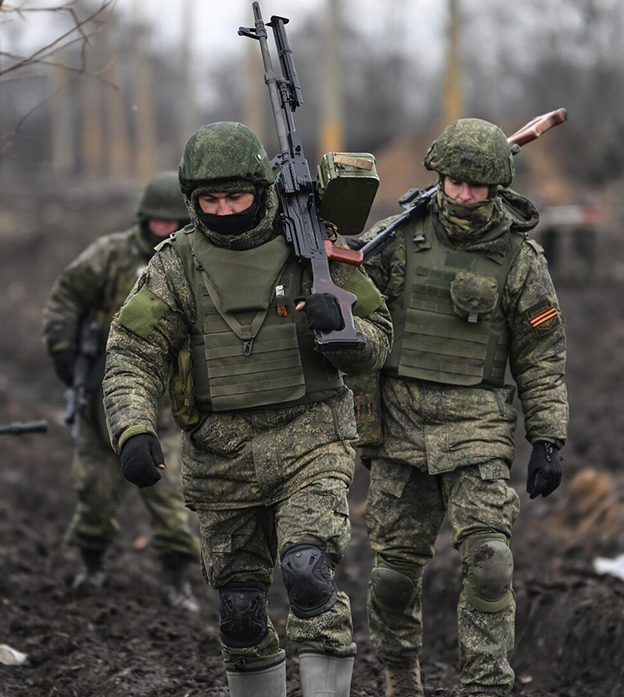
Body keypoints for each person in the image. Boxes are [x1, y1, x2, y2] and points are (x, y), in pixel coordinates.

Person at [101, 122, 392, 697]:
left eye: (236, 197)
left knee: (308, 573)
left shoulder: (312, 245)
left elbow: (378, 338)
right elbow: (132, 351)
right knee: (239, 608)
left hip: (311, 439)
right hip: (220, 456)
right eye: (210, 200)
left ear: (261, 191)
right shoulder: (176, 264)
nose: (224, 210)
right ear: (192, 200)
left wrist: (345, 330)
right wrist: (132, 429)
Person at [358, 118, 569, 697]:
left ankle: (486, 686)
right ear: (439, 178)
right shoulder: (395, 240)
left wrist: (548, 438)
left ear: (497, 187)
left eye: (476, 186)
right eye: (454, 183)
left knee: (491, 561)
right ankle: (400, 674)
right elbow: (350, 305)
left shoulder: (520, 259)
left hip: (477, 426)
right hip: (399, 425)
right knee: (393, 576)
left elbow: (541, 354)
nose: (464, 195)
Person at [41, 171, 200, 611]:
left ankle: (178, 581)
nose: (163, 229)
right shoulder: (110, 255)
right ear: (143, 218)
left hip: (168, 403)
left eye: (172, 222)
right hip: (102, 396)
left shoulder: (195, 260)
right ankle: (90, 568)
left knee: (171, 502)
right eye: (156, 221)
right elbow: (65, 298)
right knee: (94, 492)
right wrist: (63, 349)